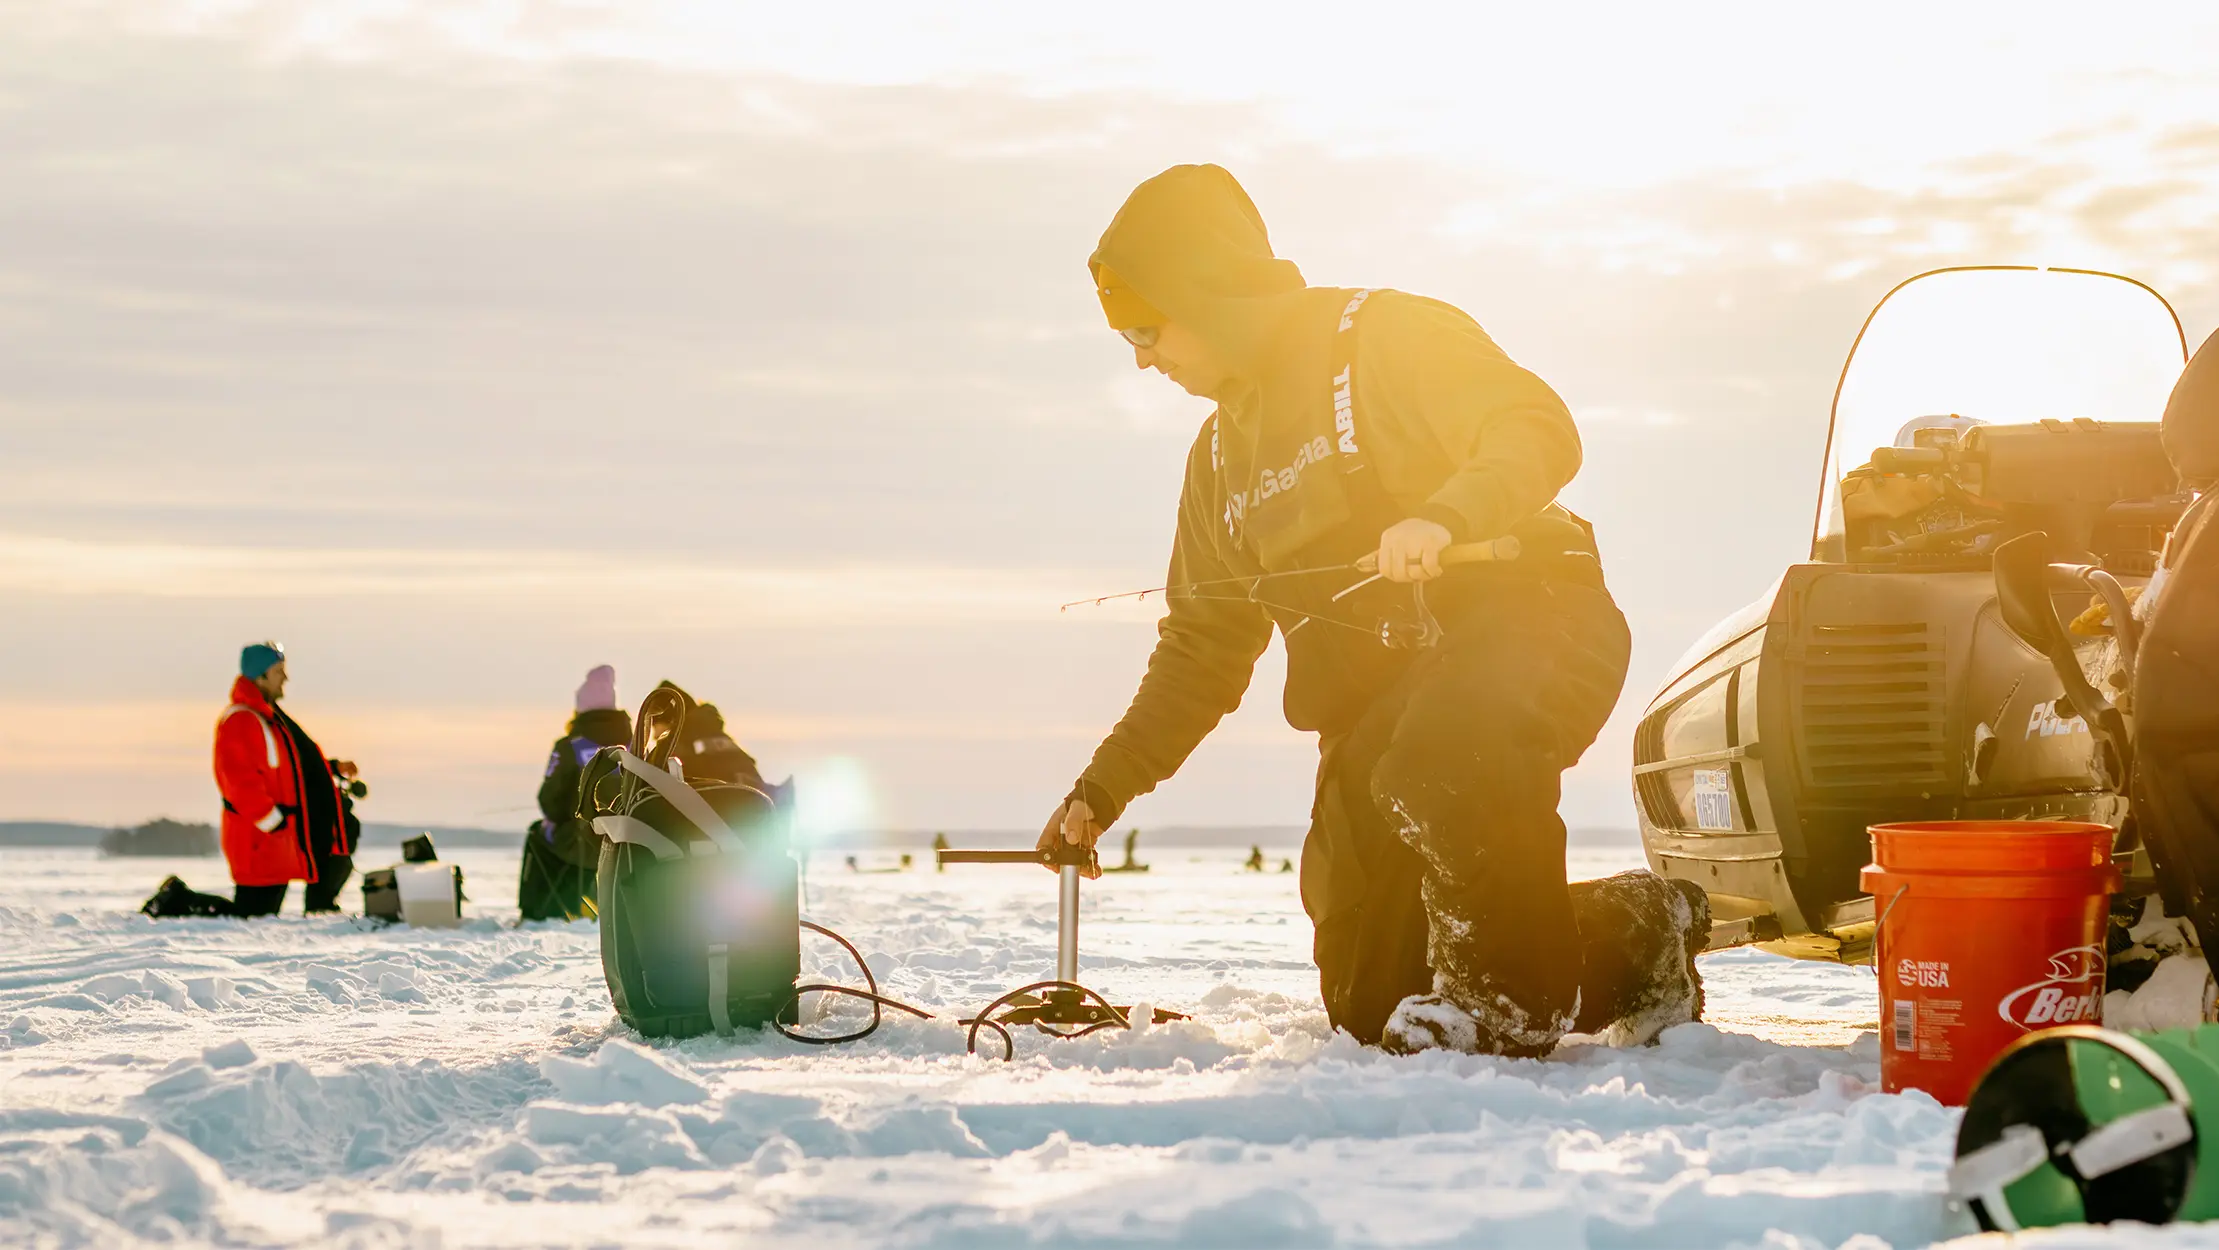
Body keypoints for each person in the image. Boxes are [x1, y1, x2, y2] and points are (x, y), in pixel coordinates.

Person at [1040, 164, 1698, 1057]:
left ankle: (1508, 1010)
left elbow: (1532, 423)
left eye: (1147, 328)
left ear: (1211, 295)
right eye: (1127, 338)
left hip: (1532, 620)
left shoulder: (1380, 336)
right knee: (1369, 1000)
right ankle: (1636, 931)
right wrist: (1103, 784)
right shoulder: (1219, 462)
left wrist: (1447, 514)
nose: (1143, 358)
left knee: (1441, 761)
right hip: (1379, 702)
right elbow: (1201, 644)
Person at [212, 641, 358, 916]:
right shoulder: (242, 720)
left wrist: (332, 769)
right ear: (261, 676)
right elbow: (237, 781)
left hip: (273, 840)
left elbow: (289, 769)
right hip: (259, 841)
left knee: (256, 917)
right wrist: (271, 821)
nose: (285, 678)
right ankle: (177, 904)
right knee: (248, 919)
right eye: (279, 671)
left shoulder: (267, 718)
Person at [519, 665, 632, 922]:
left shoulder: (570, 746)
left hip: (581, 840)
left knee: (539, 833)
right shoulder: (636, 746)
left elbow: (550, 803)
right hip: (630, 840)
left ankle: (538, 912)